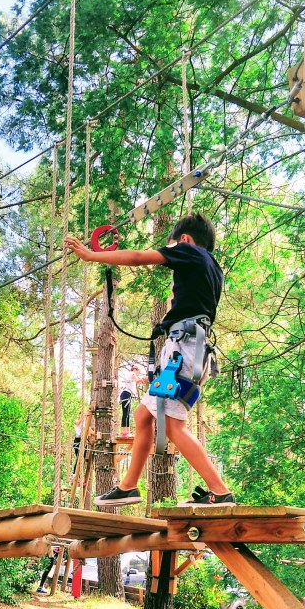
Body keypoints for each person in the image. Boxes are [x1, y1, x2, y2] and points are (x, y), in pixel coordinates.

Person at [64, 213, 235, 507]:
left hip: (184, 350)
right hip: (189, 351)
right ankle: (128, 486)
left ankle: (220, 491)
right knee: (144, 416)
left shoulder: (189, 252)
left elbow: (138, 257)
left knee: (172, 426)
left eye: (171, 248)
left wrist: (92, 256)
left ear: (184, 240)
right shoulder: (213, 268)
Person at [117, 360, 144, 437]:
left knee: (128, 413)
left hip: (128, 394)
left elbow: (137, 382)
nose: (139, 373)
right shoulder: (132, 373)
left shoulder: (130, 375)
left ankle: (127, 432)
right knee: (125, 413)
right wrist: (142, 379)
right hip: (126, 394)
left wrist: (140, 381)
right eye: (139, 372)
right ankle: (124, 432)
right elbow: (137, 380)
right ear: (135, 370)